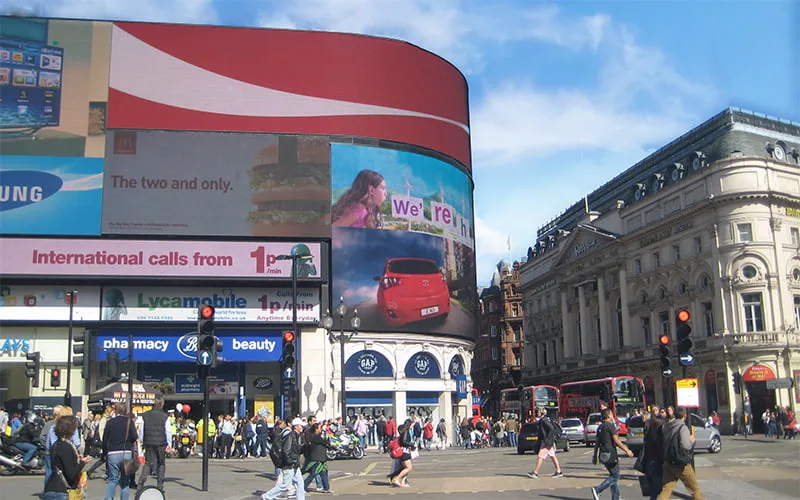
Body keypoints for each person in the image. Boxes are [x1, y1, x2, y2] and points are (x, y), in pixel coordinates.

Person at [656, 406, 704, 500]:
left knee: (666, 489)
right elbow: (686, 445)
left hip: (668, 461)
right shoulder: (682, 427)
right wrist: (692, 441)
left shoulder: (667, 426)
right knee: (695, 490)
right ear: (684, 415)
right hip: (681, 463)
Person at [43, 415, 91, 500]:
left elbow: (59, 464)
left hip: (51, 487)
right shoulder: (66, 446)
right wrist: (82, 463)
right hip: (62, 491)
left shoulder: (56, 444)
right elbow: (71, 473)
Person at [591, 408, 633, 500]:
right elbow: (617, 440)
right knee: (615, 476)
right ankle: (598, 489)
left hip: (603, 455)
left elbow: (597, 443)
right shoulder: (610, 426)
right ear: (609, 415)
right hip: (610, 454)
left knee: (613, 475)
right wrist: (627, 450)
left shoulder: (600, 427)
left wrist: (595, 456)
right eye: (611, 413)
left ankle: (616, 497)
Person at [102, 403, 139, 500]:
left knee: (113, 479)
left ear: (116, 411)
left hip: (112, 452)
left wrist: (105, 453)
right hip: (125, 452)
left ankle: (109, 498)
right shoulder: (129, 422)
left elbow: (105, 439)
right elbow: (135, 436)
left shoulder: (110, 422)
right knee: (125, 481)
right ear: (125, 411)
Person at [263, 418, 306, 500]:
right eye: (301, 426)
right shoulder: (291, 436)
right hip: (290, 464)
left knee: (300, 483)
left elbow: (297, 450)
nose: (302, 427)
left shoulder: (298, 436)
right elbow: (286, 450)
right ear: (296, 426)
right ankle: (266, 496)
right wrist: (290, 461)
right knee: (285, 485)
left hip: (295, 464)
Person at [138, 395, 172, 491]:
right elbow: (168, 431)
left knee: (148, 463)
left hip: (148, 443)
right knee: (161, 463)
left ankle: (141, 482)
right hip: (161, 443)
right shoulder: (165, 417)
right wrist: (169, 444)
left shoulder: (144, 415)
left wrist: (142, 441)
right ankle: (160, 485)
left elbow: (141, 430)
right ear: (162, 404)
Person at [527, 409, 563, 478]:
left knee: (540, 456)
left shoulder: (544, 421)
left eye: (538, 412)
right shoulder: (544, 420)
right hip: (548, 442)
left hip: (546, 442)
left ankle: (535, 472)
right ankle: (559, 471)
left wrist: (547, 438)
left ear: (542, 413)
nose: (537, 413)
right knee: (552, 456)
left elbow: (551, 429)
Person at [302, 422, 335, 493]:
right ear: (316, 429)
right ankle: (303, 486)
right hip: (317, 458)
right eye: (320, 428)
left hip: (322, 458)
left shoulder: (319, 436)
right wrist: (328, 443)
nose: (321, 429)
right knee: (313, 474)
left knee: (324, 473)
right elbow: (325, 443)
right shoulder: (316, 437)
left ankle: (326, 488)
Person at [643, 406, 664, 500]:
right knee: (657, 488)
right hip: (656, 460)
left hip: (649, 460)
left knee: (654, 488)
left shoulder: (648, 428)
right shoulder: (658, 428)